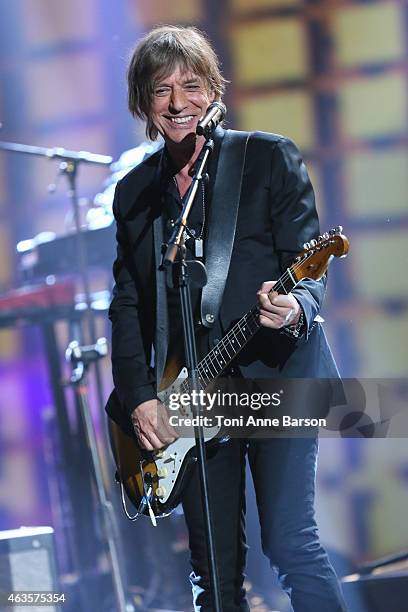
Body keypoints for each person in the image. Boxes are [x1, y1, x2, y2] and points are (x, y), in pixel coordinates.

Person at [105, 25, 347, 612]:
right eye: (162, 90)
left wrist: (293, 306)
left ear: (214, 90)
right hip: (192, 397)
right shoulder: (137, 192)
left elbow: (307, 266)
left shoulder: (266, 157)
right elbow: (129, 301)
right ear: (143, 102)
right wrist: (139, 396)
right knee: (213, 571)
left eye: (192, 86)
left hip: (277, 380)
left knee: (292, 545)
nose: (179, 103)